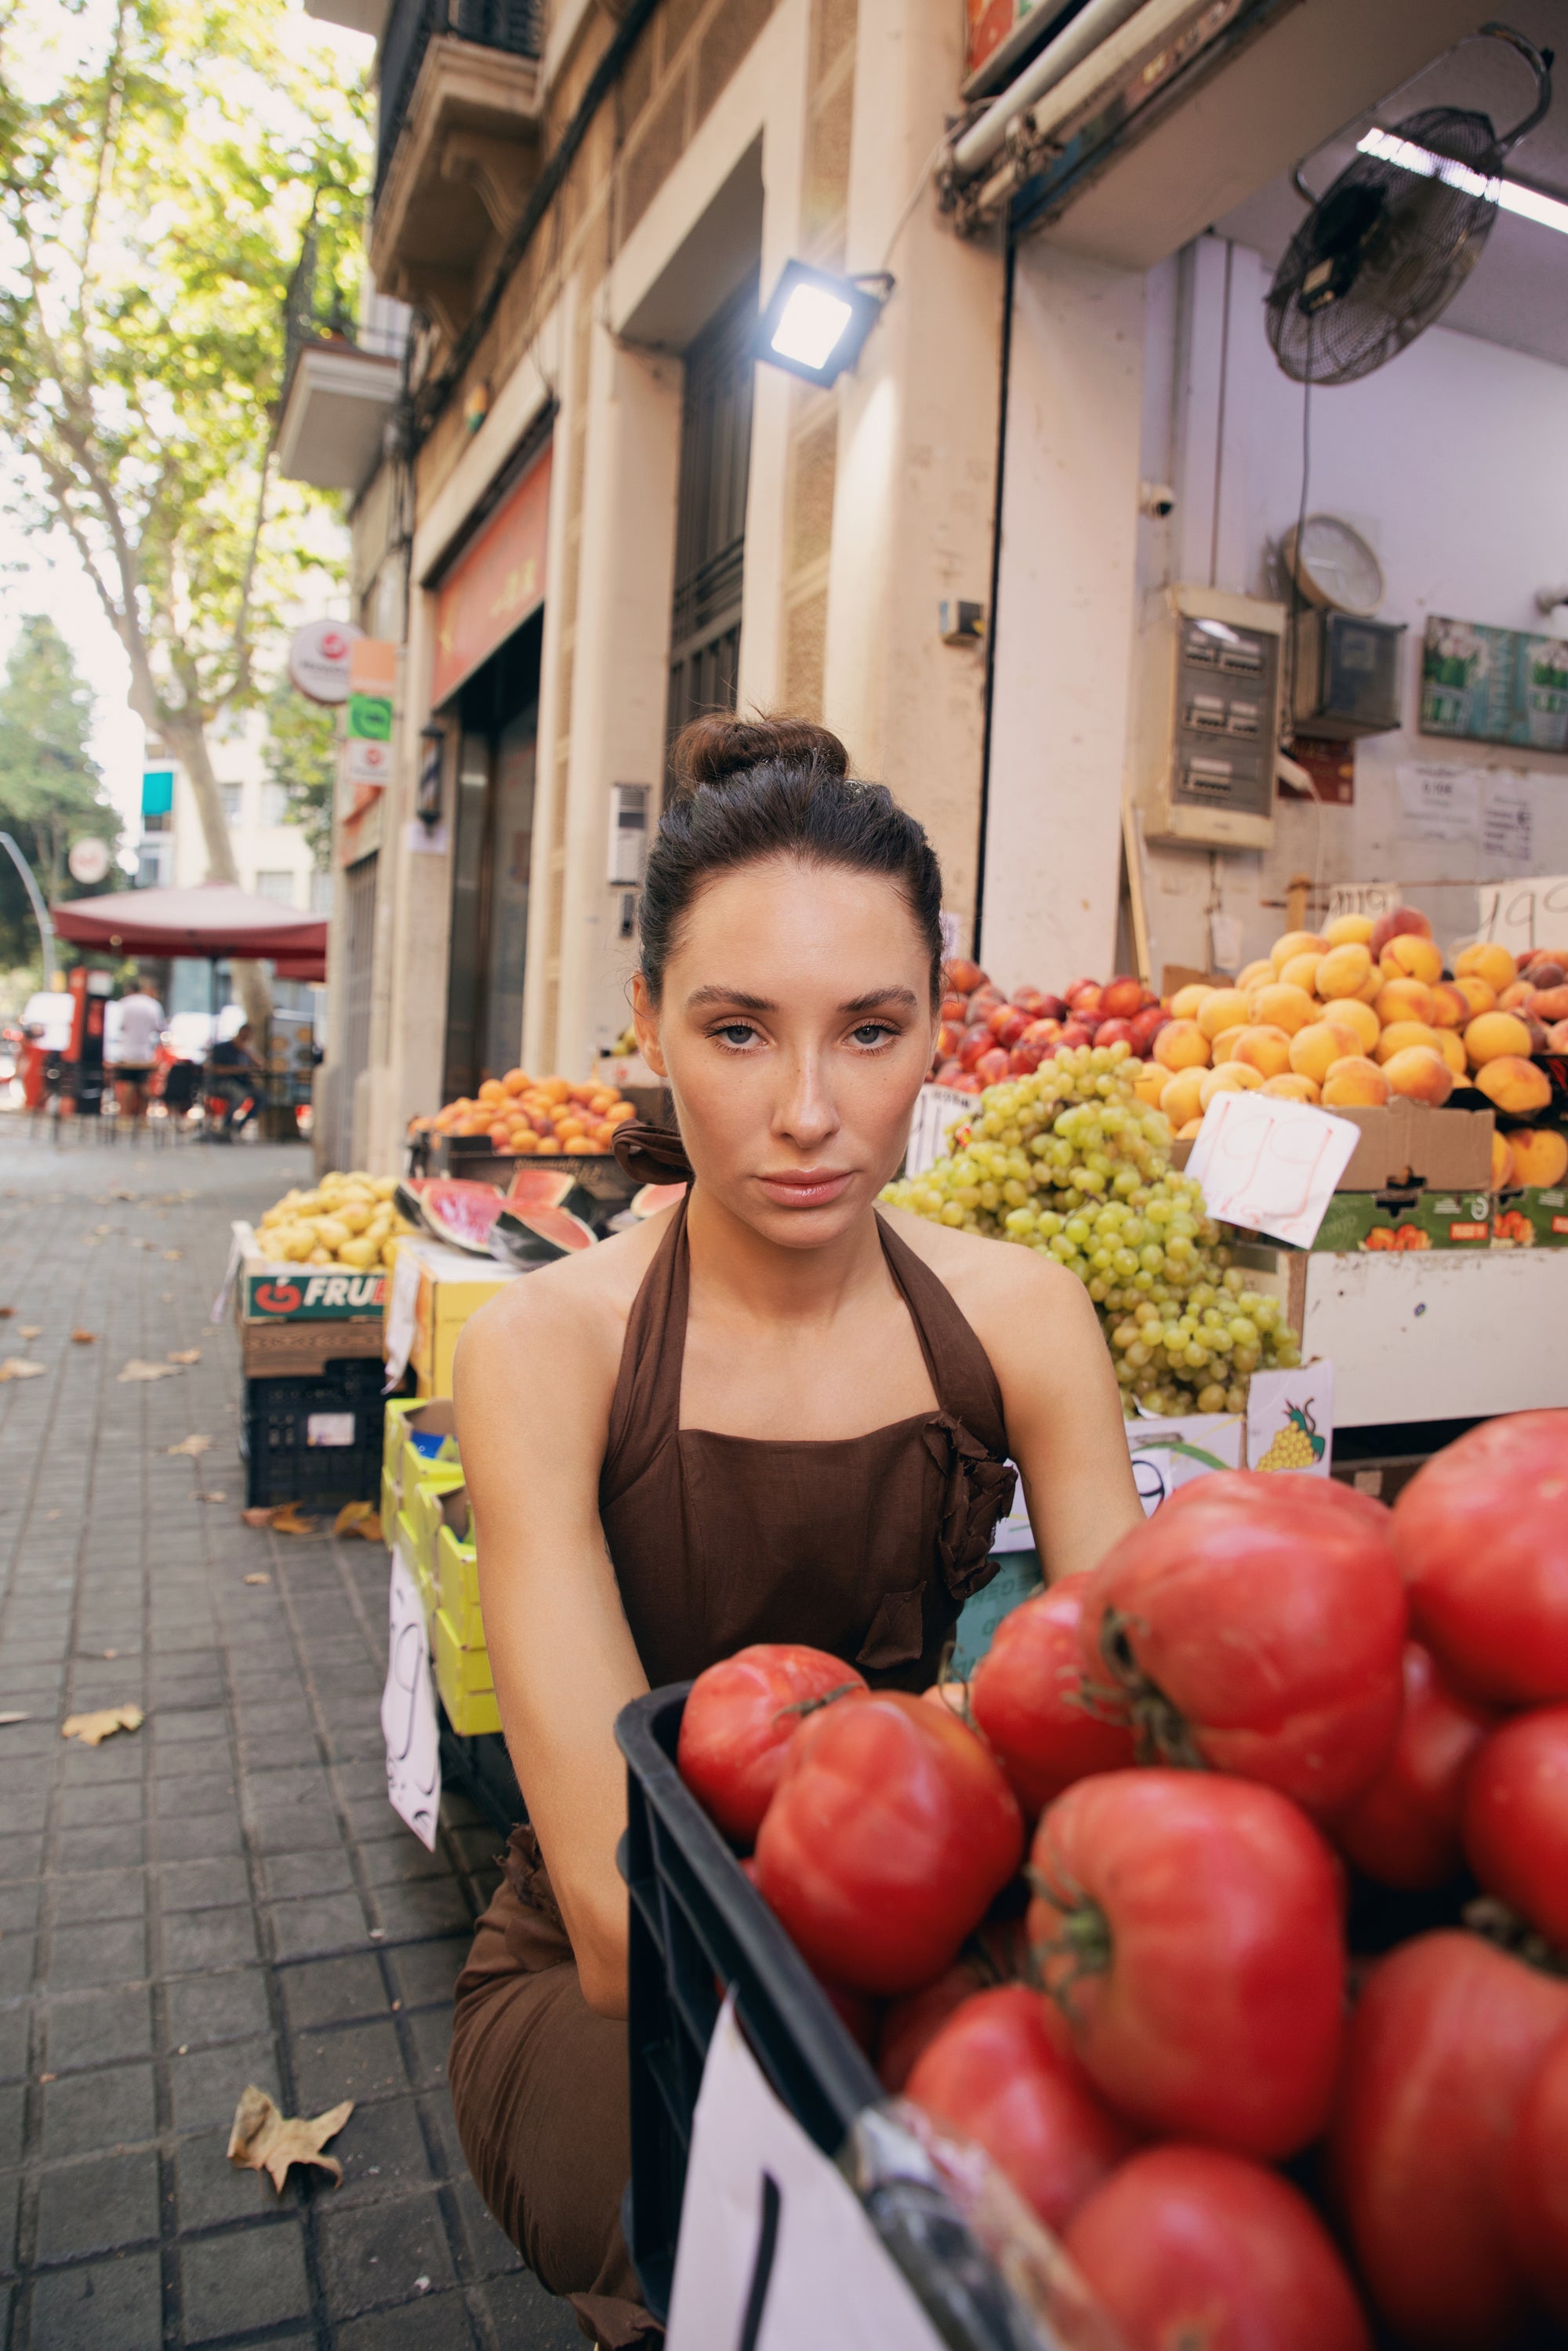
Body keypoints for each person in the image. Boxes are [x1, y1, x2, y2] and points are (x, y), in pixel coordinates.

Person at [448, 717, 1145, 2345]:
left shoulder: (1025, 1316)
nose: (811, 1110)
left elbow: (1136, 1710)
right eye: (740, 1030)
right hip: (628, 1993)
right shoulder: (549, 1348)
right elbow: (617, 1914)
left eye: (872, 1030)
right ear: (647, 1022)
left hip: (933, 1913)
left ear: (936, 1028)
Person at [110, 973, 165, 1120]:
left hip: (125, 1052)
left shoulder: (123, 1004)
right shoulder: (153, 1005)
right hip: (146, 1054)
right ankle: (143, 1117)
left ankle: (125, 1117)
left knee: (128, 1084)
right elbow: (160, 1028)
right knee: (143, 1083)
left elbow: (117, 1027)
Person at [207, 1019, 260, 1135]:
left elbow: (261, 1065)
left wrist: (245, 1050)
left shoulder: (246, 1051)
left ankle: (238, 1126)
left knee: (262, 1097)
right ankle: (226, 1126)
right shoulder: (222, 1048)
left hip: (242, 1083)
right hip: (222, 1082)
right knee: (239, 1095)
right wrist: (238, 1069)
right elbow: (215, 1070)